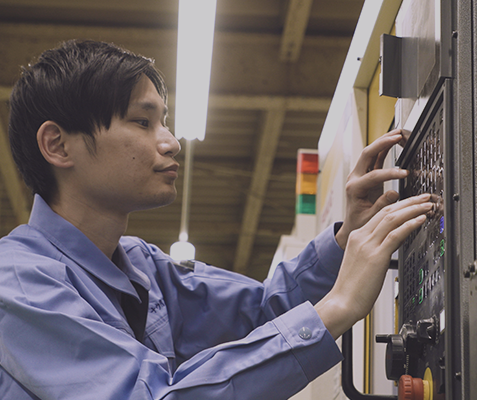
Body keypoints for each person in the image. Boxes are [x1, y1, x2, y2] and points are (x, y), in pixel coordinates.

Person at [0, 40, 432, 400]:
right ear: (57, 145)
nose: (170, 143)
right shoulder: (17, 284)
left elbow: (262, 310)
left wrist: (348, 236)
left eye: (164, 122)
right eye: (141, 121)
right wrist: (337, 308)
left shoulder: (140, 266)